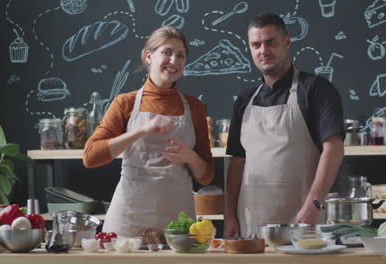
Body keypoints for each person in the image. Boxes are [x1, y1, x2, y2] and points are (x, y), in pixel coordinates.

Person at [83, 26, 214, 238]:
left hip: (177, 224)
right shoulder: (125, 103)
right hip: (129, 221)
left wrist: (190, 157)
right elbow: (90, 157)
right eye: (167, 52)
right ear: (149, 55)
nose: (174, 61)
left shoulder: (194, 106)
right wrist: (140, 131)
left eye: (180, 55)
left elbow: (207, 176)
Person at [223, 14, 345, 238]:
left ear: (286, 42)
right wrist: (229, 214)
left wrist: (314, 204)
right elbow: (237, 161)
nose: (263, 51)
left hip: (302, 222)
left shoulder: (316, 89)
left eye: (271, 42)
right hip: (251, 227)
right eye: (256, 45)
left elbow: (334, 148)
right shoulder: (244, 101)